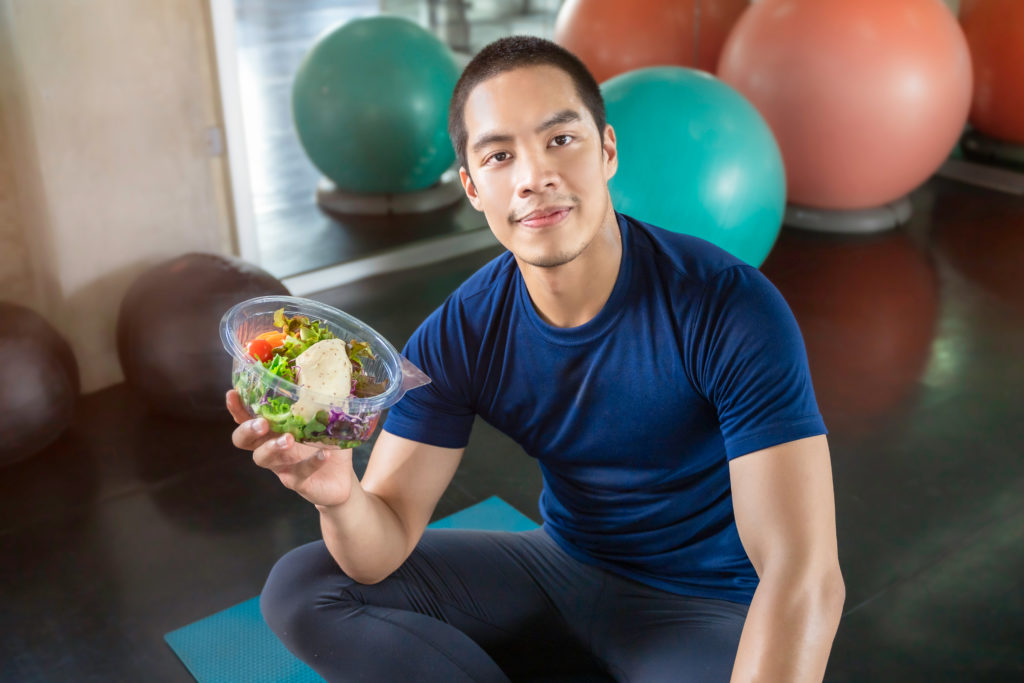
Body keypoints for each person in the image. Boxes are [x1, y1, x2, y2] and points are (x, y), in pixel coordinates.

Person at [226, 35, 845, 682]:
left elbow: (804, 576)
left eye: (560, 140)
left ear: (606, 150)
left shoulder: (727, 306)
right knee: (304, 584)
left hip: (702, 608)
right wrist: (336, 494)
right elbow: (377, 549)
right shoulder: (461, 332)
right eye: (499, 155)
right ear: (471, 186)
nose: (534, 177)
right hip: (560, 570)